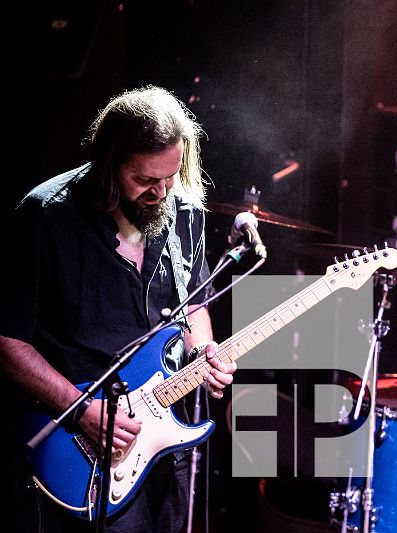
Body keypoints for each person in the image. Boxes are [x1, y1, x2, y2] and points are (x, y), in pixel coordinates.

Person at [0, 86, 235, 532]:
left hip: (165, 441)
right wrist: (81, 410)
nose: (161, 192)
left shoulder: (184, 213)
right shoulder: (46, 217)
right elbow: (8, 340)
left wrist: (203, 350)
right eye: (145, 180)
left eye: (170, 177)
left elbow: (193, 302)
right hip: (80, 447)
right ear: (109, 163)